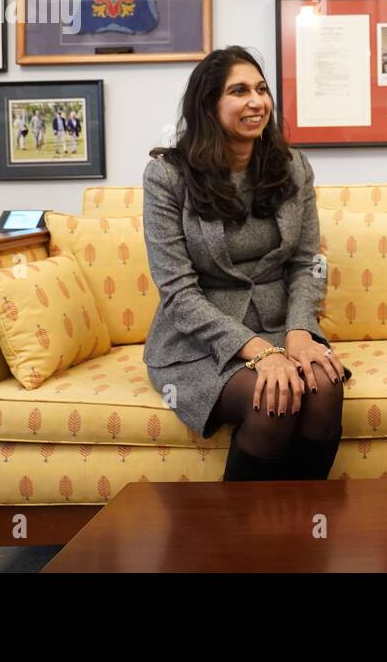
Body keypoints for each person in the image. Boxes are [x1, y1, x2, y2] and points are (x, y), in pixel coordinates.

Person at [143, 46, 346, 482]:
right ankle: (238, 544)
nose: (256, 101)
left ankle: (301, 532)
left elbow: (307, 262)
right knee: (271, 398)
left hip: (280, 324)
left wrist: (299, 333)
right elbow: (177, 290)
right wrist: (261, 353)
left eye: (261, 89)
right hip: (200, 341)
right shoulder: (168, 175)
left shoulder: (292, 167)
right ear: (210, 105)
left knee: (324, 388)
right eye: (239, 91)